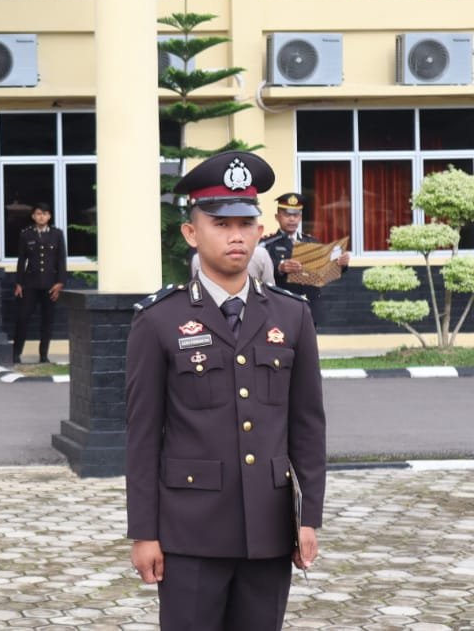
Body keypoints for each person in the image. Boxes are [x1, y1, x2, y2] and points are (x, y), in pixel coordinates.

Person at [125, 151, 326, 631]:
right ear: (191, 233)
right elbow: (143, 435)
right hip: (190, 531)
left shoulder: (291, 316)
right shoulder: (159, 321)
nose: (235, 235)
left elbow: (307, 426)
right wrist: (144, 534)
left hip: (270, 530)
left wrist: (308, 518)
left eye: (246, 222)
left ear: (261, 231)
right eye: (220, 223)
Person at [260, 192, 351, 325]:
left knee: (309, 346)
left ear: (300, 217)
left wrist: (340, 264)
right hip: (282, 307)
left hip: (310, 305)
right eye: (287, 215)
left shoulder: (312, 242)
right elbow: (258, 273)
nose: (292, 219)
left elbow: (324, 272)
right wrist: (280, 267)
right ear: (277, 217)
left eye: (295, 215)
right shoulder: (268, 244)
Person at [12, 203, 67, 364]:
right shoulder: (26, 234)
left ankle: (44, 355)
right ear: (33, 216)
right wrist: (18, 283)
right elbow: (22, 260)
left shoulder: (57, 234)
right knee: (23, 318)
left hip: (50, 284)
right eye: (38, 214)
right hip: (30, 283)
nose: (41, 216)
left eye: (44, 213)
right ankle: (16, 353)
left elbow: (61, 260)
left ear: (49, 216)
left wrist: (60, 282)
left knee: (47, 320)